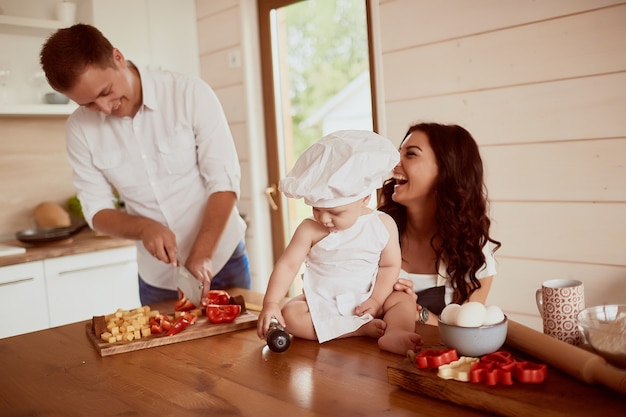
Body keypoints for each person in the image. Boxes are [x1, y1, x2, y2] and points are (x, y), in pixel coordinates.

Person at [39, 24, 251, 305]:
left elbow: (223, 182)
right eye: (87, 104)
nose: (104, 109)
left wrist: (202, 253)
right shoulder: (79, 130)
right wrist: (144, 228)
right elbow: (98, 211)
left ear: (117, 57)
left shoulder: (189, 93)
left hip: (223, 260)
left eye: (105, 92)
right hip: (158, 280)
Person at [257, 130, 422, 355]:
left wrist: (376, 299)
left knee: (403, 300)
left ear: (364, 198)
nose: (324, 219)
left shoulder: (382, 225)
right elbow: (288, 265)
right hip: (324, 304)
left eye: (335, 212)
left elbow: (389, 266)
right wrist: (271, 303)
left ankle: (395, 333)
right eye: (317, 209)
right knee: (292, 314)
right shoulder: (308, 229)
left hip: (369, 300)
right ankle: (354, 330)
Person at [378, 122, 501, 325]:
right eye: (398, 153)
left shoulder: (472, 250)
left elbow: (467, 330)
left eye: (410, 154)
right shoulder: (375, 231)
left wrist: (417, 312)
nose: (394, 163)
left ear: (446, 170)